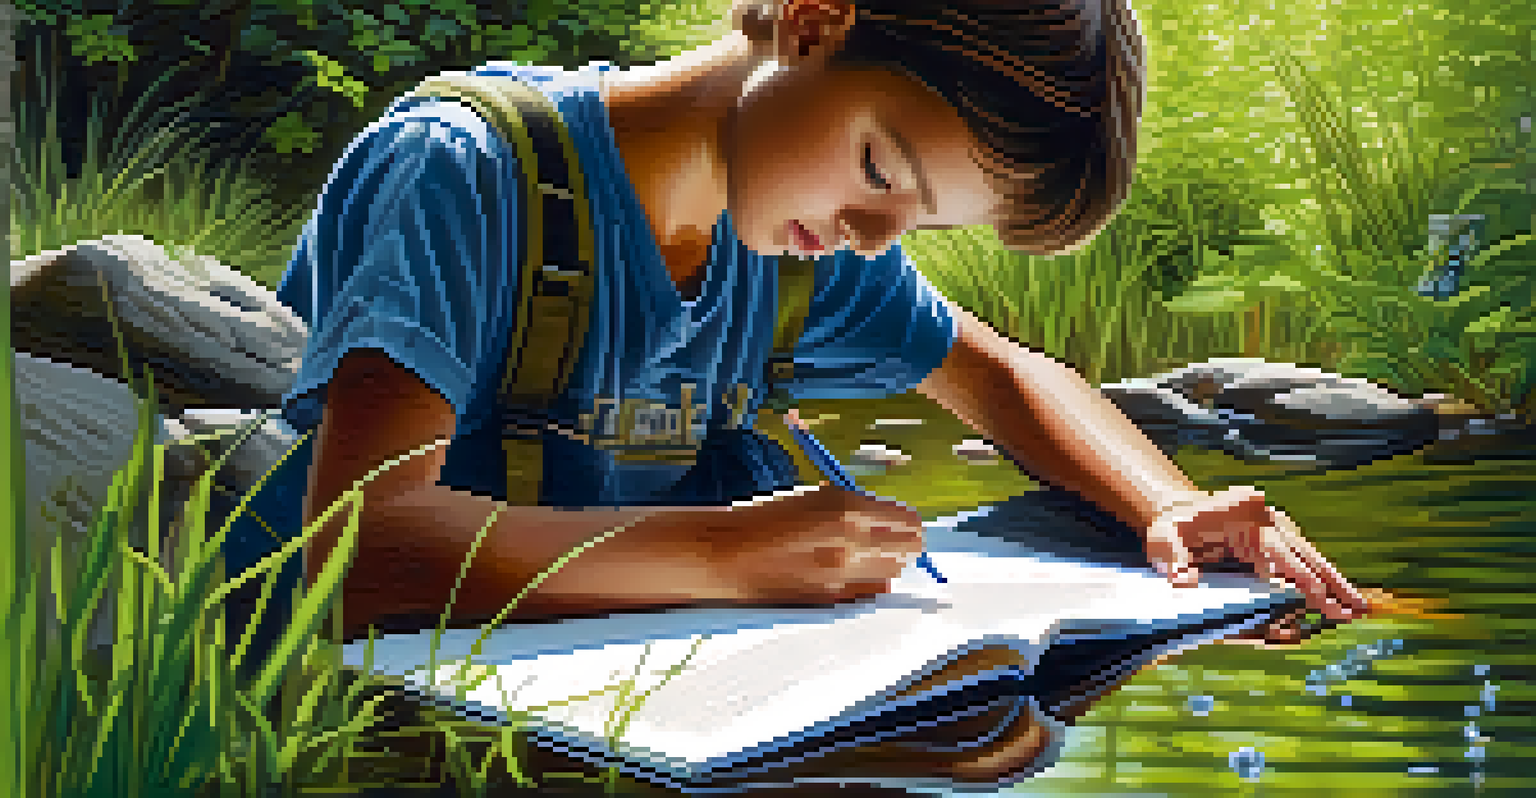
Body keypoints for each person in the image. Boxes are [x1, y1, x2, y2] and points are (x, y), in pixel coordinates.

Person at [252, 0, 1369, 780]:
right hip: (379, 708)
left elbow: (1007, 374)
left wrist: (1167, 506)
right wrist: (731, 555)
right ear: (812, 20)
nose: (878, 242)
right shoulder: (468, 172)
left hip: (622, 709)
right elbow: (359, 550)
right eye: (883, 172)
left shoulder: (793, 244)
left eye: (918, 222)